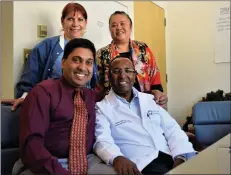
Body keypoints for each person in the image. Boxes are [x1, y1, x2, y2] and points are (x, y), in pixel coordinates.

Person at [12, 38, 112, 175]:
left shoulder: (93, 97)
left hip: (88, 161)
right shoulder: (42, 93)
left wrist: (149, 98)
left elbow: (120, 102)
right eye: (76, 60)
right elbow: (31, 145)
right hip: (42, 164)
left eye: (89, 62)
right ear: (63, 63)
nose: (82, 67)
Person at [94, 56, 196, 175]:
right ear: (109, 76)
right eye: (116, 71)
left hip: (170, 156)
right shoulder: (102, 108)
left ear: (134, 75)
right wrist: (116, 158)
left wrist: (181, 156)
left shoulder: (150, 100)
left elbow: (172, 129)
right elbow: (102, 140)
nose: (122, 75)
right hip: (143, 164)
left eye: (128, 71)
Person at [1, 2, 98, 111]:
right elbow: (29, 78)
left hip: (83, 106)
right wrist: (25, 97)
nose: (75, 24)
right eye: (70, 19)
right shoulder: (46, 46)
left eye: (80, 19)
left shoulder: (90, 49)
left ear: (85, 23)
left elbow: (94, 83)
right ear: (62, 21)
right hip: (52, 106)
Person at [96, 11, 168, 108]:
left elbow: (154, 75)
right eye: (114, 25)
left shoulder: (143, 49)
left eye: (122, 24)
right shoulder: (102, 54)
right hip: (114, 108)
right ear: (110, 29)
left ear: (130, 27)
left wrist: (158, 94)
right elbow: (97, 86)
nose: (118, 27)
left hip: (144, 105)